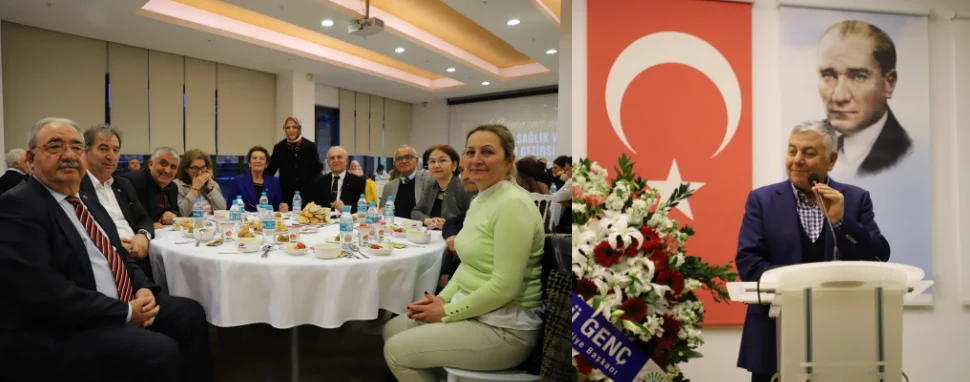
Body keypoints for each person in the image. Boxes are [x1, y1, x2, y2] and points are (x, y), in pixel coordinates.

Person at [0, 117, 212, 382]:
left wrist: (144, 288)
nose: (69, 155)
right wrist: (125, 312)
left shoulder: (86, 200)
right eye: (55, 146)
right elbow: (43, 291)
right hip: (67, 326)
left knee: (190, 313)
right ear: (31, 159)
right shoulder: (17, 206)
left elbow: (119, 255)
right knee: (159, 351)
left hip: (118, 300)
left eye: (76, 147)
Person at [383, 124, 545, 381]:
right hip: (475, 308)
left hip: (504, 327)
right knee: (391, 329)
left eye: (487, 152)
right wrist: (442, 300)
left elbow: (506, 287)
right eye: (470, 152)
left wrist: (447, 312)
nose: (476, 160)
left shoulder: (513, 205)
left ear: (509, 160)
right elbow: (467, 264)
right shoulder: (482, 199)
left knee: (395, 351)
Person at [735, 120, 890, 382]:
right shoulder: (761, 200)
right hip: (774, 336)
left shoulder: (854, 199)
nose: (796, 160)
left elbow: (879, 256)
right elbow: (748, 262)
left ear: (831, 160)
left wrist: (842, 221)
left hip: (841, 335)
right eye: (792, 150)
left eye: (808, 153)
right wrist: (797, 284)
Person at [816, 20, 912, 177]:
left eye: (858, 77)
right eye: (828, 75)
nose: (839, 96)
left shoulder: (904, 152)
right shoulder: (811, 140)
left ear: (889, 83)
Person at [80, 124, 155, 281]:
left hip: (140, 257)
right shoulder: (76, 187)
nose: (111, 156)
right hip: (107, 265)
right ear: (85, 152)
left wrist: (143, 235)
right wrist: (111, 244)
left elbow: (144, 218)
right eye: (103, 149)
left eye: (115, 150)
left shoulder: (123, 184)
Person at [438, 161, 480, 292]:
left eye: (473, 170)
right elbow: (453, 222)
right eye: (462, 171)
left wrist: (449, 280)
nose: (465, 176)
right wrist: (451, 235)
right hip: (465, 278)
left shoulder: (510, 205)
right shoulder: (480, 201)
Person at [265, 116, 323, 207]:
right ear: (284, 129)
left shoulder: (310, 146)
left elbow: (316, 172)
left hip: (307, 195)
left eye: (294, 127)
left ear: (299, 129)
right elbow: (270, 170)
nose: (291, 130)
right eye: (288, 127)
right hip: (286, 195)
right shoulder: (279, 147)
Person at [411, 144, 471, 230]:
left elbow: (474, 218)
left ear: (454, 165)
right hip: (432, 237)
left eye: (442, 160)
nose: (436, 165)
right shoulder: (431, 187)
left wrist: (449, 224)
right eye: (432, 161)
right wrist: (428, 220)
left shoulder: (463, 188)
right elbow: (416, 211)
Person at [122, 147, 181, 228]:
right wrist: (145, 225)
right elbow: (119, 214)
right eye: (163, 163)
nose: (167, 170)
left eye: (173, 167)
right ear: (150, 164)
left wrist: (172, 213)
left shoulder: (173, 187)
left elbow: (176, 210)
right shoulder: (131, 181)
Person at [379, 145, 433, 219]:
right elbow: (382, 211)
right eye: (399, 158)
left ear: (417, 160)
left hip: (421, 227)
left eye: (408, 157)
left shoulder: (429, 180)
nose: (403, 161)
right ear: (395, 163)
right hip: (395, 228)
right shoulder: (389, 186)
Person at [225, 146, 284, 212]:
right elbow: (230, 207)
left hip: (267, 220)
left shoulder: (274, 182)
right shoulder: (238, 181)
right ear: (249, 163)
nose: (258, 161)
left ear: (266, 164)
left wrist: (282, 208)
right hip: (245, 221)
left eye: (261, 158)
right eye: (254, 158)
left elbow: (278, 206)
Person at [311, 146, 366, 213]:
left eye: (339, 157)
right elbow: (314, 206)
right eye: (332, 158)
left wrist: (345, 208)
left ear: (346, 160)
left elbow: (362, 209)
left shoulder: (358, 182)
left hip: (347, 221)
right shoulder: (319, 181)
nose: (336, 160)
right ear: (328, 162)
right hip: (324, 222)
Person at [173, 149, 227, 217]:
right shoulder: (176, 185)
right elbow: (181, 214)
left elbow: (222, 210)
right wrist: (195, 188)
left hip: (211, 225)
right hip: (191, 226)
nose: (199, 172)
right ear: (186, 169)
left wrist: (210, 189)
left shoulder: (213, 184)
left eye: (202, 168)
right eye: (195, 168)